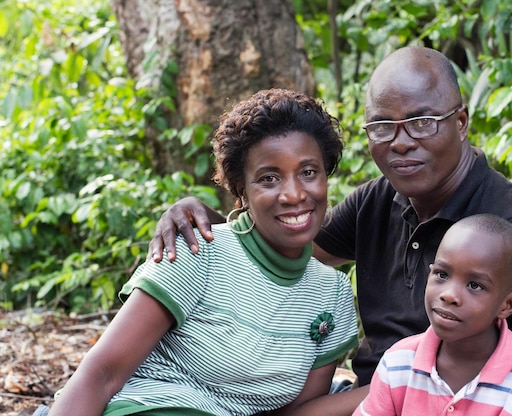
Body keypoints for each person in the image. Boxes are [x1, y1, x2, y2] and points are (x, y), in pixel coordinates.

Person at [148, 46, 512, 415]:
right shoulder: (378, 199)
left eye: (422, 121)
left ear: (461, 122)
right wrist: (202, 220)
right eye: (382, 126)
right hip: (375, 390)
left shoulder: (510, 229)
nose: (402, 141)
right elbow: (280, 253)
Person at [48, 88, 360, 416]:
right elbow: (101, 374)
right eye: (269, 178)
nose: (294, 194)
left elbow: (297, 413)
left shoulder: (333, 295)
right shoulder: (198, 252)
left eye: (309, 172)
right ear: (241, 191)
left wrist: (397, 383)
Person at [353, 214, 512, 415]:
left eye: (474, 285)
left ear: (507, 305)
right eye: (442, 275)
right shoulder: (398, 362)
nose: (450, 295)